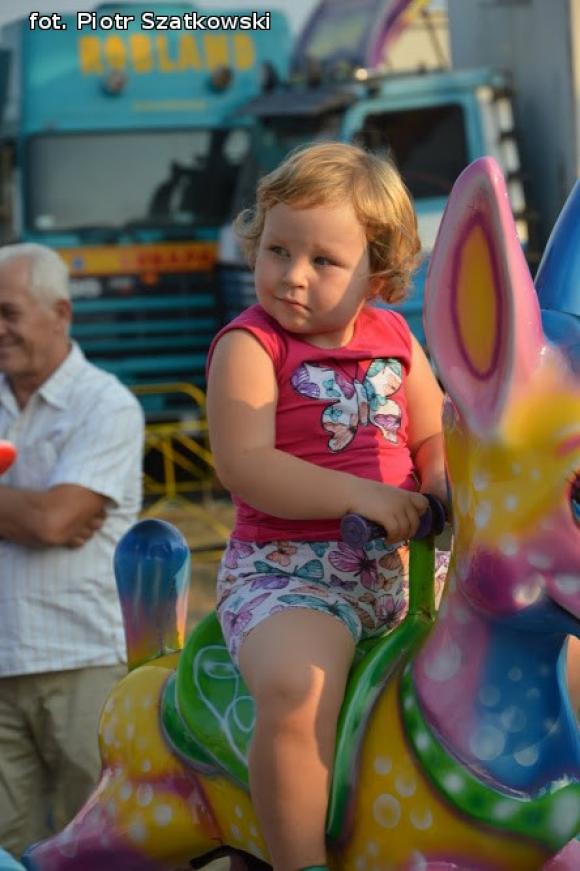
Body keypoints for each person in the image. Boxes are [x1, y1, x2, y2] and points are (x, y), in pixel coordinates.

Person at [206, 142, 449, 871]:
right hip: (290, 574)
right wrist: (365, 494)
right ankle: (299, 860)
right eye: (277, 249)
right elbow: (245, 465)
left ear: (378, 272)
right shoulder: (252, 345)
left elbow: (433, 431)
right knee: (298, 690)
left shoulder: (398, 339)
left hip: (405, 571)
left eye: (322, 261)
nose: (292, 276)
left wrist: (437, 487)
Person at [0, 243, 144, 858]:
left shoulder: (106, 405)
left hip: (83, 659)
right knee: (7, 847)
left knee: (99, 845)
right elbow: (48, 517)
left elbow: (58, 522)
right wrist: (28, 513)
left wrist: (46, 516)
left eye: (8, 312)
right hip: (3, 663)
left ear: (61, 313)